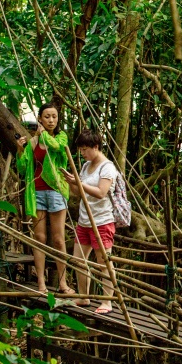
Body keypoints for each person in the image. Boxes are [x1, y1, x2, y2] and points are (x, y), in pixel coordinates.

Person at [16, 103, 73, 294]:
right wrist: (20, 150)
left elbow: (56, 147)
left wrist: (43, 135)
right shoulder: (33, 143)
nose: (51, 120)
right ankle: (41, 282)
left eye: (54, 117)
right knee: (39, 238)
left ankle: (63, 283)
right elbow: (23, 169)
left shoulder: (60, 137)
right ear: (40, 118)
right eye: (47, 117)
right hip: (36, 193)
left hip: (56, 191)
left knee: (58, 239)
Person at [64, 128, 118, 314]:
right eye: (80, 150)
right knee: (78, 260)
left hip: (102, 221)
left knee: (104, 263)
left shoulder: (108, 167)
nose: (83, 153)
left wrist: (79, 183)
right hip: (84, 220)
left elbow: (101, 192)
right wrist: (72, 182)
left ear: (96, 147)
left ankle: (107, 301)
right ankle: (83, 296)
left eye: (85, 149)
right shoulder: (86, 166)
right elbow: (78, 193)